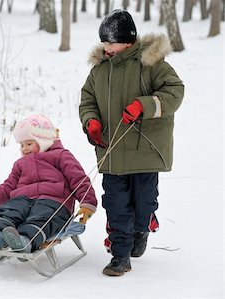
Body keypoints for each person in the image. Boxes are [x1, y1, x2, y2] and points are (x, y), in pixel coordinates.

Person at [79, 9, 184, 276]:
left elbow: (174, 91)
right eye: (104, 42)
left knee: (144, 201)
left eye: (111, 42)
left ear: (128, 40)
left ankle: (142, 227)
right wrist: (90, 122)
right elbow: (87, 100)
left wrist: (144, 105)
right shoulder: (100, 70)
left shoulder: (151, 63)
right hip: (112, 152)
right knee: (115, 203)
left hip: (144, 150)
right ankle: (120, 256)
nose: (106, 47)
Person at [0, 114, 97, 255]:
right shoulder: (20, 164)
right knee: (11, 209)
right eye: (21, 145)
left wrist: (87, 203)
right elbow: (8, 187)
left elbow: (79, 179)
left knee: (41, 217)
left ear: (43, 141)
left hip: (54, 202)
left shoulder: (61, 156)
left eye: (29, 144)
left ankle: (25, 241)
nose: (24, 148)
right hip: (23, 199)